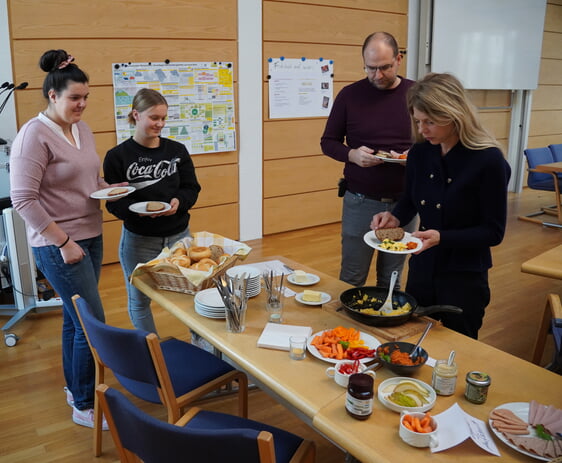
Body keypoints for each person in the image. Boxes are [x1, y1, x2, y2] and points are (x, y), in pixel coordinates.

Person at [9, 49, 120, 428]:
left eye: (86, 97)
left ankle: (76, 389)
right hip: (60, 244)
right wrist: (62, 242)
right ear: (53, 96)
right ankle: (86, 405)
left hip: (90, 232)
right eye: (75, 98)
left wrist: (110, 188)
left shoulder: (82, 129)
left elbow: (89, 180)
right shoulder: (32, 136)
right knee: (92, 323)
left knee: (75, 321)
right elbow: (24, 199)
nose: (82, 105)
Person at [371, 72, 511, 339]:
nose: (422, 130)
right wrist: (394, 217)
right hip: (423, 267)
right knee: (412, 338)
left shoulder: (489, 161)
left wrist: (441, 238)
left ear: (454, 114)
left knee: (458, 347)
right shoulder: (421, 153)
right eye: (418, 121)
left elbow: (493, 232)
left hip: (464, 276)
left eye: (430, 122)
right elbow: (411, 199)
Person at [320, 31, 416, 288]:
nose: (377, 75)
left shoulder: (417, 94)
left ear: (398, 59)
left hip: (404, 201)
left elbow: (434, 144)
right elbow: (327, 142)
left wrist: (412, 158)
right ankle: (347, 330)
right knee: (351, 278)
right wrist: (352, 155)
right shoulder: (350, 95)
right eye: (370, 68)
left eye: (384, 68)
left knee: (391, 279)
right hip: (360, 200)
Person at [104, 88, 201, 334]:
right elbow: (112, 202)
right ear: (136, 115)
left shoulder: (177, 151)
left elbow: (191, 188)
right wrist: (136, 212)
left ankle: (200, 345)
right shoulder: (116, 156)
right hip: (138, 240)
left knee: (191, 294)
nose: (160, 124)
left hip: (180, 236)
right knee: (139, 300)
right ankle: (152, 351)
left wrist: (180, 201)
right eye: (154, 118)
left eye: (163, 118)